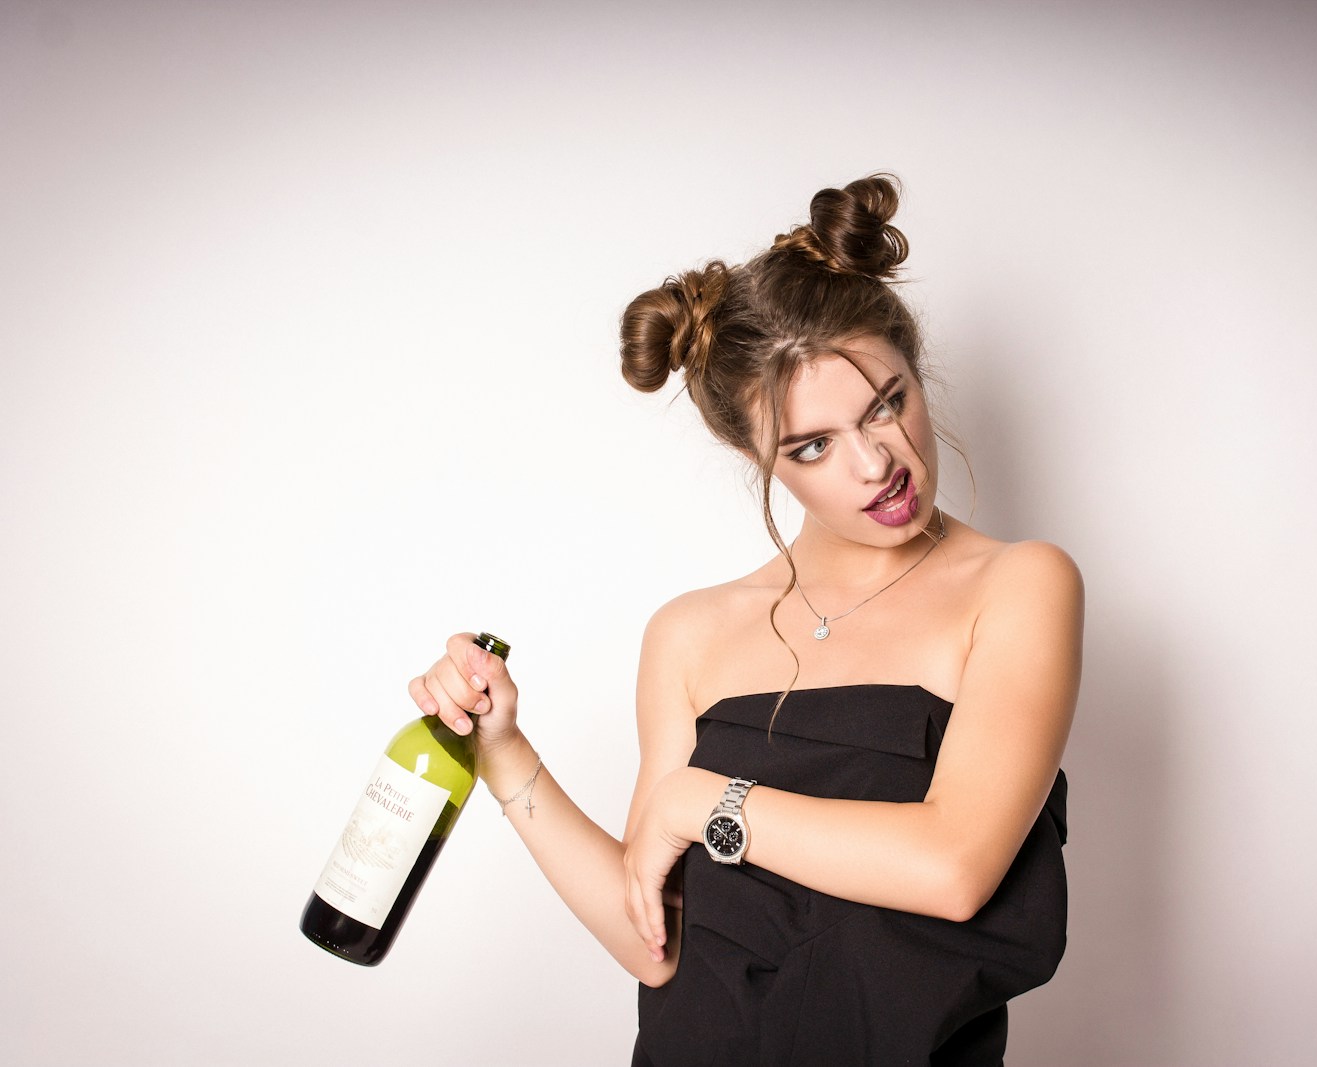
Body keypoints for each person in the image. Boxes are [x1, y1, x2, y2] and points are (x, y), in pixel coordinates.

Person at [408, 175, 1084, 1065]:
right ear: (757, 454)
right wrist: (504, 752)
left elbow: (953, 868)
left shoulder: (1018, 585)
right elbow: (652, 943)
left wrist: (707, 801)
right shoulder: (690, 634)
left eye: (887, 403)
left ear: (917, 373)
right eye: (814, 445)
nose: (875, 462)